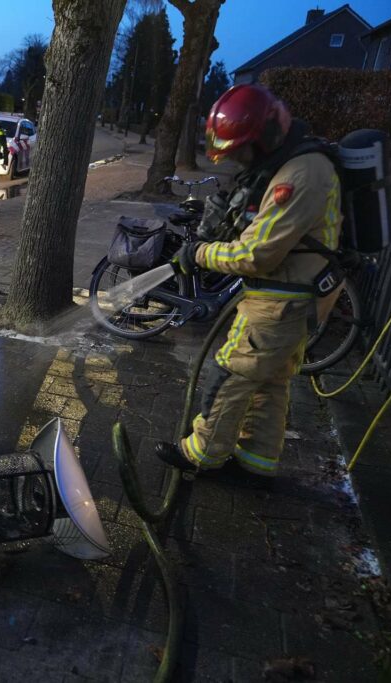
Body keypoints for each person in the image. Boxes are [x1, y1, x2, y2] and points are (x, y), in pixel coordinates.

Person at [156, 84, 343, 479]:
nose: (238, 160)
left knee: (232, 373)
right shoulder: (292, 162)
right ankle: (257, 463)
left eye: (241, 152)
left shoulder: (301, 173)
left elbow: (257, 255)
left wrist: (199, 253)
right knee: (270, 381)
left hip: (282, 301)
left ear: (266, 135)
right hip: (297, 295)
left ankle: (202, 455)